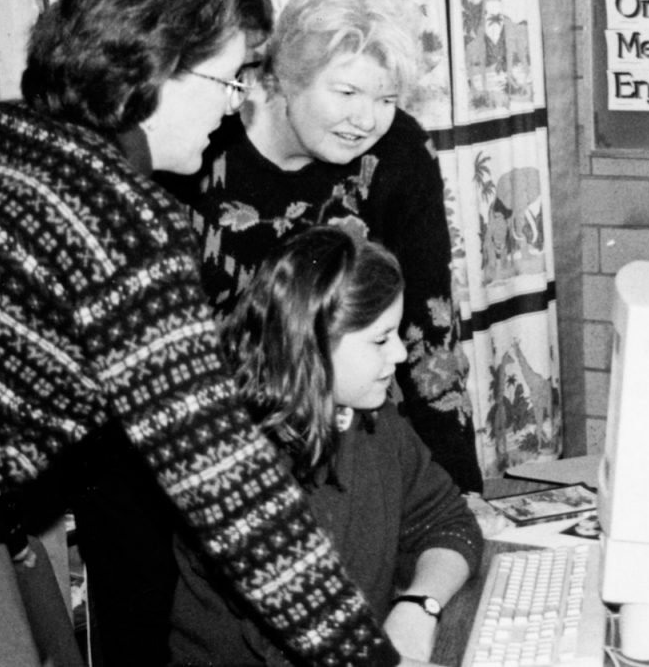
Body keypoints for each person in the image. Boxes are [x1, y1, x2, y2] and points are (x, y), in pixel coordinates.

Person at [0, 0, 417, 667]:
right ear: (153, 72)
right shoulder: (119, 216)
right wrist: (369, 660)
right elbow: (229, 484)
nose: (237, 106)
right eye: (227, 80)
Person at [160, 0, 483, 494]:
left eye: (386, 97)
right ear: (287, 76)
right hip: (197, 446)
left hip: (347, 448)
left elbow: (429, 337)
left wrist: (460, 491)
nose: (366, 119)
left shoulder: (399, 152)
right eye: (347, 91)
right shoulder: (199, 142)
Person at [168, 226, 483, 665]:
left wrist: (419, 606)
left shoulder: (371, 420)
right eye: (380, 339)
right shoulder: (239, 473)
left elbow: (448, 521)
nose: (398, 354)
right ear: (312, 346)